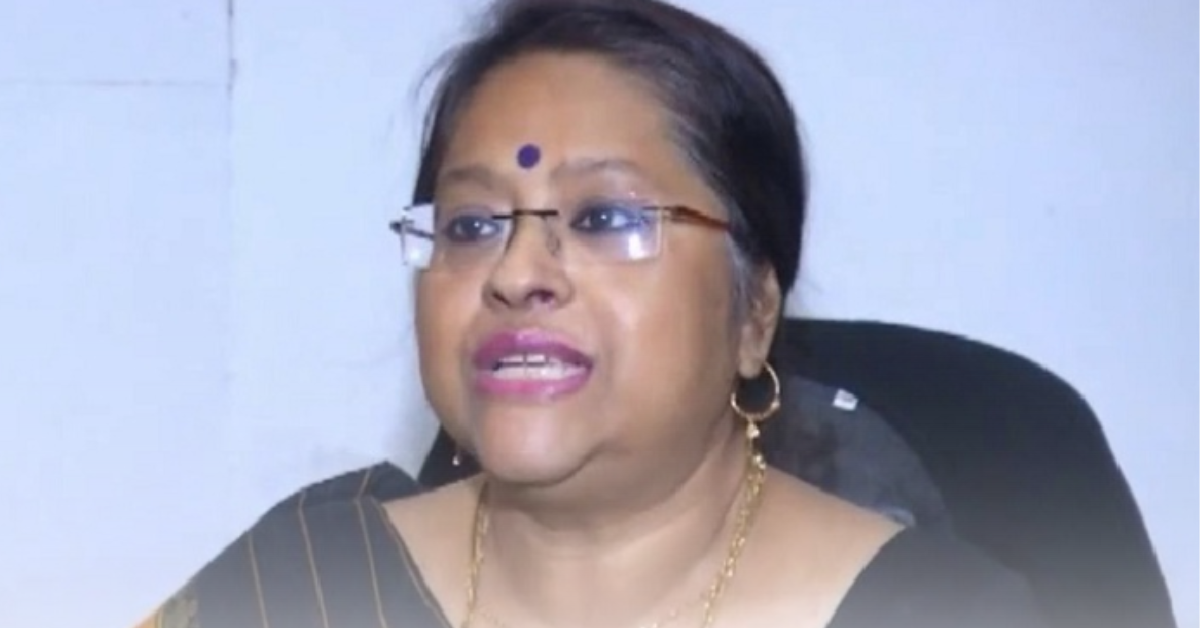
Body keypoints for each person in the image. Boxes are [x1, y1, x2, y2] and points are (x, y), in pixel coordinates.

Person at [135, 0, 1050, 626]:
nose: (516, 272)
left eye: (605, 218)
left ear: (754, 314)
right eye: (472, 224)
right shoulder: (303, 585)